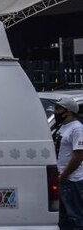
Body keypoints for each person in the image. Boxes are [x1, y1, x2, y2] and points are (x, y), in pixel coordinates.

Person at [55, 96, 83, 230]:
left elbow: (79, 156)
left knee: (75, 218)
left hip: (72, 180)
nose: (55, 112)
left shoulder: (77, 129)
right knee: (64, 219)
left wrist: (65, 175)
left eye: (58, 109)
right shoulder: (63, 127)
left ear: (68, 112)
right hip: (63, 179)